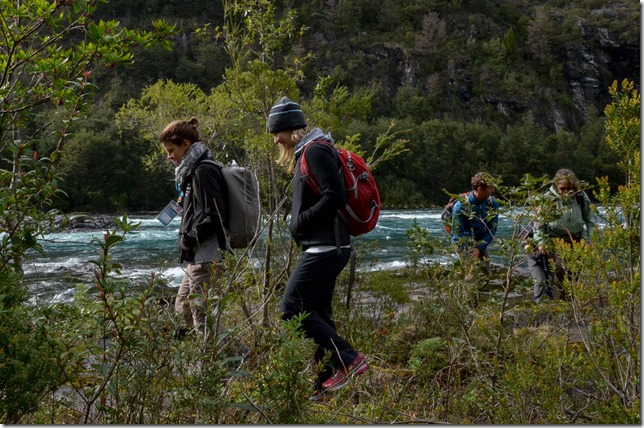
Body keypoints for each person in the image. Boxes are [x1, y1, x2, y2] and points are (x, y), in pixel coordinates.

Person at [267, 96, 368, 395]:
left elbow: (333, 196)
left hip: (326, 247)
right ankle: (324, 382)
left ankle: (350, 359)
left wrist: (300, 223)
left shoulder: (315, 150)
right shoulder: (309, 150)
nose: (275, 140)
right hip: (323, 246)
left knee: (290, 308)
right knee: (318, 315)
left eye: (277, 133)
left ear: (290, 128)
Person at [160, 117, 230, 339]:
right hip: (196, 255)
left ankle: (235, 358)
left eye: (171, 150)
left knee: (202, 316)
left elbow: (215, 214)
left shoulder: (203, 171)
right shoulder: (190, 172)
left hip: (207, 255)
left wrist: (189, 239)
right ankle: (203, 363)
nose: (169, 156)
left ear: (185, 145)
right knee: (183, 308)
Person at [528, 168, 596, 302]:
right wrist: (541, 242)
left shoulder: (580, 196)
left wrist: (593, 240)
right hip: (555, 239)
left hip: (576, 240)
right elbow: (539, 224)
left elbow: (590, 219)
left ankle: (569, 301)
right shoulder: (547, 199)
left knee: (574, 272)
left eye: (569, 188)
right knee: (559, 269)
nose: (566, 191)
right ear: (556, 186)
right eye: (562, 188)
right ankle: (561, 300)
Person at [450, 172, 500, 274]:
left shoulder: (492, 203)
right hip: (463, 241)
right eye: (490, 188)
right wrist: (467, 254)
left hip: (481, 241)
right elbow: (457, 234)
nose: (493, 191)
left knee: (485, 274)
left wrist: (479, 248)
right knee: (470, 275)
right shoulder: (461, 206)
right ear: (480, 189)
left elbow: (492, 229)